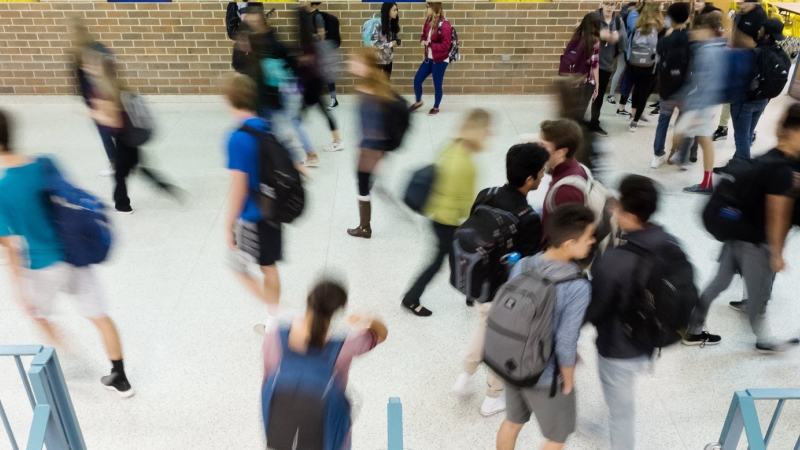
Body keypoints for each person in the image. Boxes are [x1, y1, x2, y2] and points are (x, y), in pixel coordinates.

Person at [0, 110, 134, 398]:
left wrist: (19, 289)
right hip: (75, 254)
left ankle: (73, 362)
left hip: (40, 266)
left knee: (38, 315)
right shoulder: (43, 162)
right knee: (98, 315)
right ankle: (120, 377)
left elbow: (11, 245)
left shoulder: (2, 187)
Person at [586, 175, 694, 450]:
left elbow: (596, 310)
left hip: (618, 348)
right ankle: (601, 420)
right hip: (654, 336)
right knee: (617, 393)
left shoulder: (612, 261)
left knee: (621, 414)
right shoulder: (670, 243)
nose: (614, 210)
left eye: (619, 207)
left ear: (631, 215)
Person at [684, 103, 800, 352]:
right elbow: (777, 216)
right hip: (756, 243)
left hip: (736, 231)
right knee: (759, 298)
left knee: (720, 281)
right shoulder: (783, 171)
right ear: (793, 133)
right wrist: (777, 254)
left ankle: (692, 328)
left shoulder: (769, 158)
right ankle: (763, 339)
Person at [451, 143, 549, 417]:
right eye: (541, 173)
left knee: (484, 326)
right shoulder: (528, 218)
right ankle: (492, 397)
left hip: (479, 282)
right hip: (503, 291)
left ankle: (465, 375)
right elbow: (528, 264)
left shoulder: (487, 194)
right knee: (502, 341)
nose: (543, 176)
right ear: (529, 179)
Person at [495, 204, 595, 450]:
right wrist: (567, 381)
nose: (592, 241)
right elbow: (565, 340)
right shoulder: (577, 286)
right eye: (588, 236)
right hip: (546, 375)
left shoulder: (524, 265)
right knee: (557, 437)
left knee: (512, 422)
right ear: (569, 244)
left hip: (512, 361)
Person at [261, 279, 388, 448]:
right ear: (339, 310)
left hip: (279, 409)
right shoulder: (345, 348)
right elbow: (380, 334)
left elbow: (267, 375)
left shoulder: (276, 335)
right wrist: (366, 317)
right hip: (323, 415)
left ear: (308, 297)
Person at [400, 109, 492, 316]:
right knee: (443, 261)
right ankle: (411, 298)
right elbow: (467, 203)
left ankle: (471, 294)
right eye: (487, 130)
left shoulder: (451, 147)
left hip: (437, 216)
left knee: (460, 259)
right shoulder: (466, 164)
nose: (490, 134)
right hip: (450, 222)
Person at [82, 49, 179, 214]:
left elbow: (114, 121)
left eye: (92, 66)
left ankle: (122, 204)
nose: (88, 68)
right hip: (130, 135)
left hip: (123, 137)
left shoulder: (104, 90)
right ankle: (163, 186)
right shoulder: (117, 84)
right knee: (134, 166)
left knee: (120, 172)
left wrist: (93, 114)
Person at [223, 74, 282, 318]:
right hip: (274, 208)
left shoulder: (237, 138)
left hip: (252, 214)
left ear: (229, 100)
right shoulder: (265, 127)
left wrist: (229, 225)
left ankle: (281, 316)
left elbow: (239, 187)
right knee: (268, 265)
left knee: (237, 267)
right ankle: (274, 320)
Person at [346, 50, 401, 240]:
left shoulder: (367, 91)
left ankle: (364, 227)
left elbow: (373, 125)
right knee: (365, 184)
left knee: (362, 185)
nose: (351, 62)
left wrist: (372, 154)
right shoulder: (375, 86)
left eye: (356, 59)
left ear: (367, 66)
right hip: (373, 147)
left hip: (370, 148)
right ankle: (365, 224)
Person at [673, 9, 728, 194]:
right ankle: (706, 181)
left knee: (679, 134)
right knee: (706, 142)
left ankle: (685, 162)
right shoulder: (717, 48)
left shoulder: (707, 52)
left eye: (697, 29)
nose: (693, 33)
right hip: (705, 104)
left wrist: (696, 111)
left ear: (707, 30)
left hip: (701, 106)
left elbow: (703, 83)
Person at [729, 18, 787, 160]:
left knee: (741, 138)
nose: (758, 31)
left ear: (767, 35)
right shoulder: (781, 54)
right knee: (747, 135)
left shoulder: (756, 53)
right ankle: (737, 163)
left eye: (761, 29)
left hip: (745, 102)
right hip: (763, 100)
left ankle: (742, 170)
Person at [713, 0, 768, 142]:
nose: (738, 3)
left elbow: (757, 44)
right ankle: (723, 127)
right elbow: (734, 35)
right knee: (730, 95)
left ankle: (750, 131)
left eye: (742, 1)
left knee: (747, 103)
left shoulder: (760, 15)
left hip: (751, 64)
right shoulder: (740, 14)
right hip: (737, 60)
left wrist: (739, 39)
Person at [70, 17, 117, 178]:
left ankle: (114, 163)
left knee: (104, 131)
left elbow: (80, 82)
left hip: (96, 98)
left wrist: (86, 101)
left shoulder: (78, 54)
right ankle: (127, 158)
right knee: (117, 127)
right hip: (110, 93)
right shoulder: (100, 48)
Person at [297, 1, 343, 152]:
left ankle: (335, 141)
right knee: (312, 110)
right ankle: (336, 140)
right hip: (313, 78)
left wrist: (305, 57)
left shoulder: (316, 18)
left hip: (314, 78)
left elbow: (321, 40)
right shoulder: (306, 23)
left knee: (303, 112)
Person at [651, 2, 691, 168]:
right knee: (684, 122)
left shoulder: (666, 38)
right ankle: (681, 155)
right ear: (687, 17)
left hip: (667, 88)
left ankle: (657, 154)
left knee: (663, 122)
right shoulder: (692, 37)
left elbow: (658, 53)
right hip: (685, 87)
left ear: (670, 18)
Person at [538, 119, 588, 226]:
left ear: (560, 152)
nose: (538, 149)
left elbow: (565, 236)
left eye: (543, 146)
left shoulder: (566, 192)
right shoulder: (574, 166)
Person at [408, 2, 452, 116]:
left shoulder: (445, 25)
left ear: (434, 8)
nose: (426, 9)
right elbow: (424, 35)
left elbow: (445, 46)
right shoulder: (428, 20)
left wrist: (430, 44)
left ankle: (436, 107)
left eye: (428, 7)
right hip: (429, 58)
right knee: (417, 80)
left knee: (437, 84)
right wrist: (422, 40)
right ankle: (418, 102)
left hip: (440, 60)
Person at [591, 3, 627, 137]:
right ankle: (576, 123)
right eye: (607, 3)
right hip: (589, 63)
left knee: (599, 96)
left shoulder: (618, 21)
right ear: (601, 3)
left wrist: (618, 37)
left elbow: (625, 43)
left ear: (616, 5)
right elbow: (583, 36)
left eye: (612, 3)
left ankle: (594, 123)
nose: (609, 6)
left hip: (605, 64)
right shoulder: (593, 17)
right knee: (584, 94)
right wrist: (599, 35)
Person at [626, 2, 663, 132]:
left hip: (635, 61)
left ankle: (633, 113)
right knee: (644, 91)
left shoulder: (638, 25)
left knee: (637, 88)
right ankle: (635, 121)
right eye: (661, 4)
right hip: (650, 64)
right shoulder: (659, 26)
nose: (662, 6)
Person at [571, 13, 602, 122]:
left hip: (575, 77)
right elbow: (595, 64)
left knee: (573, 107)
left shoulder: (577, 35)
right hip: (588, 79)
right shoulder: (594, 41)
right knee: (581, 109)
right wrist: (597, 84)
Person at [371, 2, 401, 79]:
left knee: (386, 84)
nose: (396, 12)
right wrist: (390, 44)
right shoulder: (379, 24)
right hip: (379, 61)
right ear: (388, 11)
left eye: (396, 10)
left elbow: (389, 39)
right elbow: (373, 43)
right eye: (394, 10)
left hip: (388, 60)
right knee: (377, 85)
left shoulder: (391, 23)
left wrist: (395, 40)